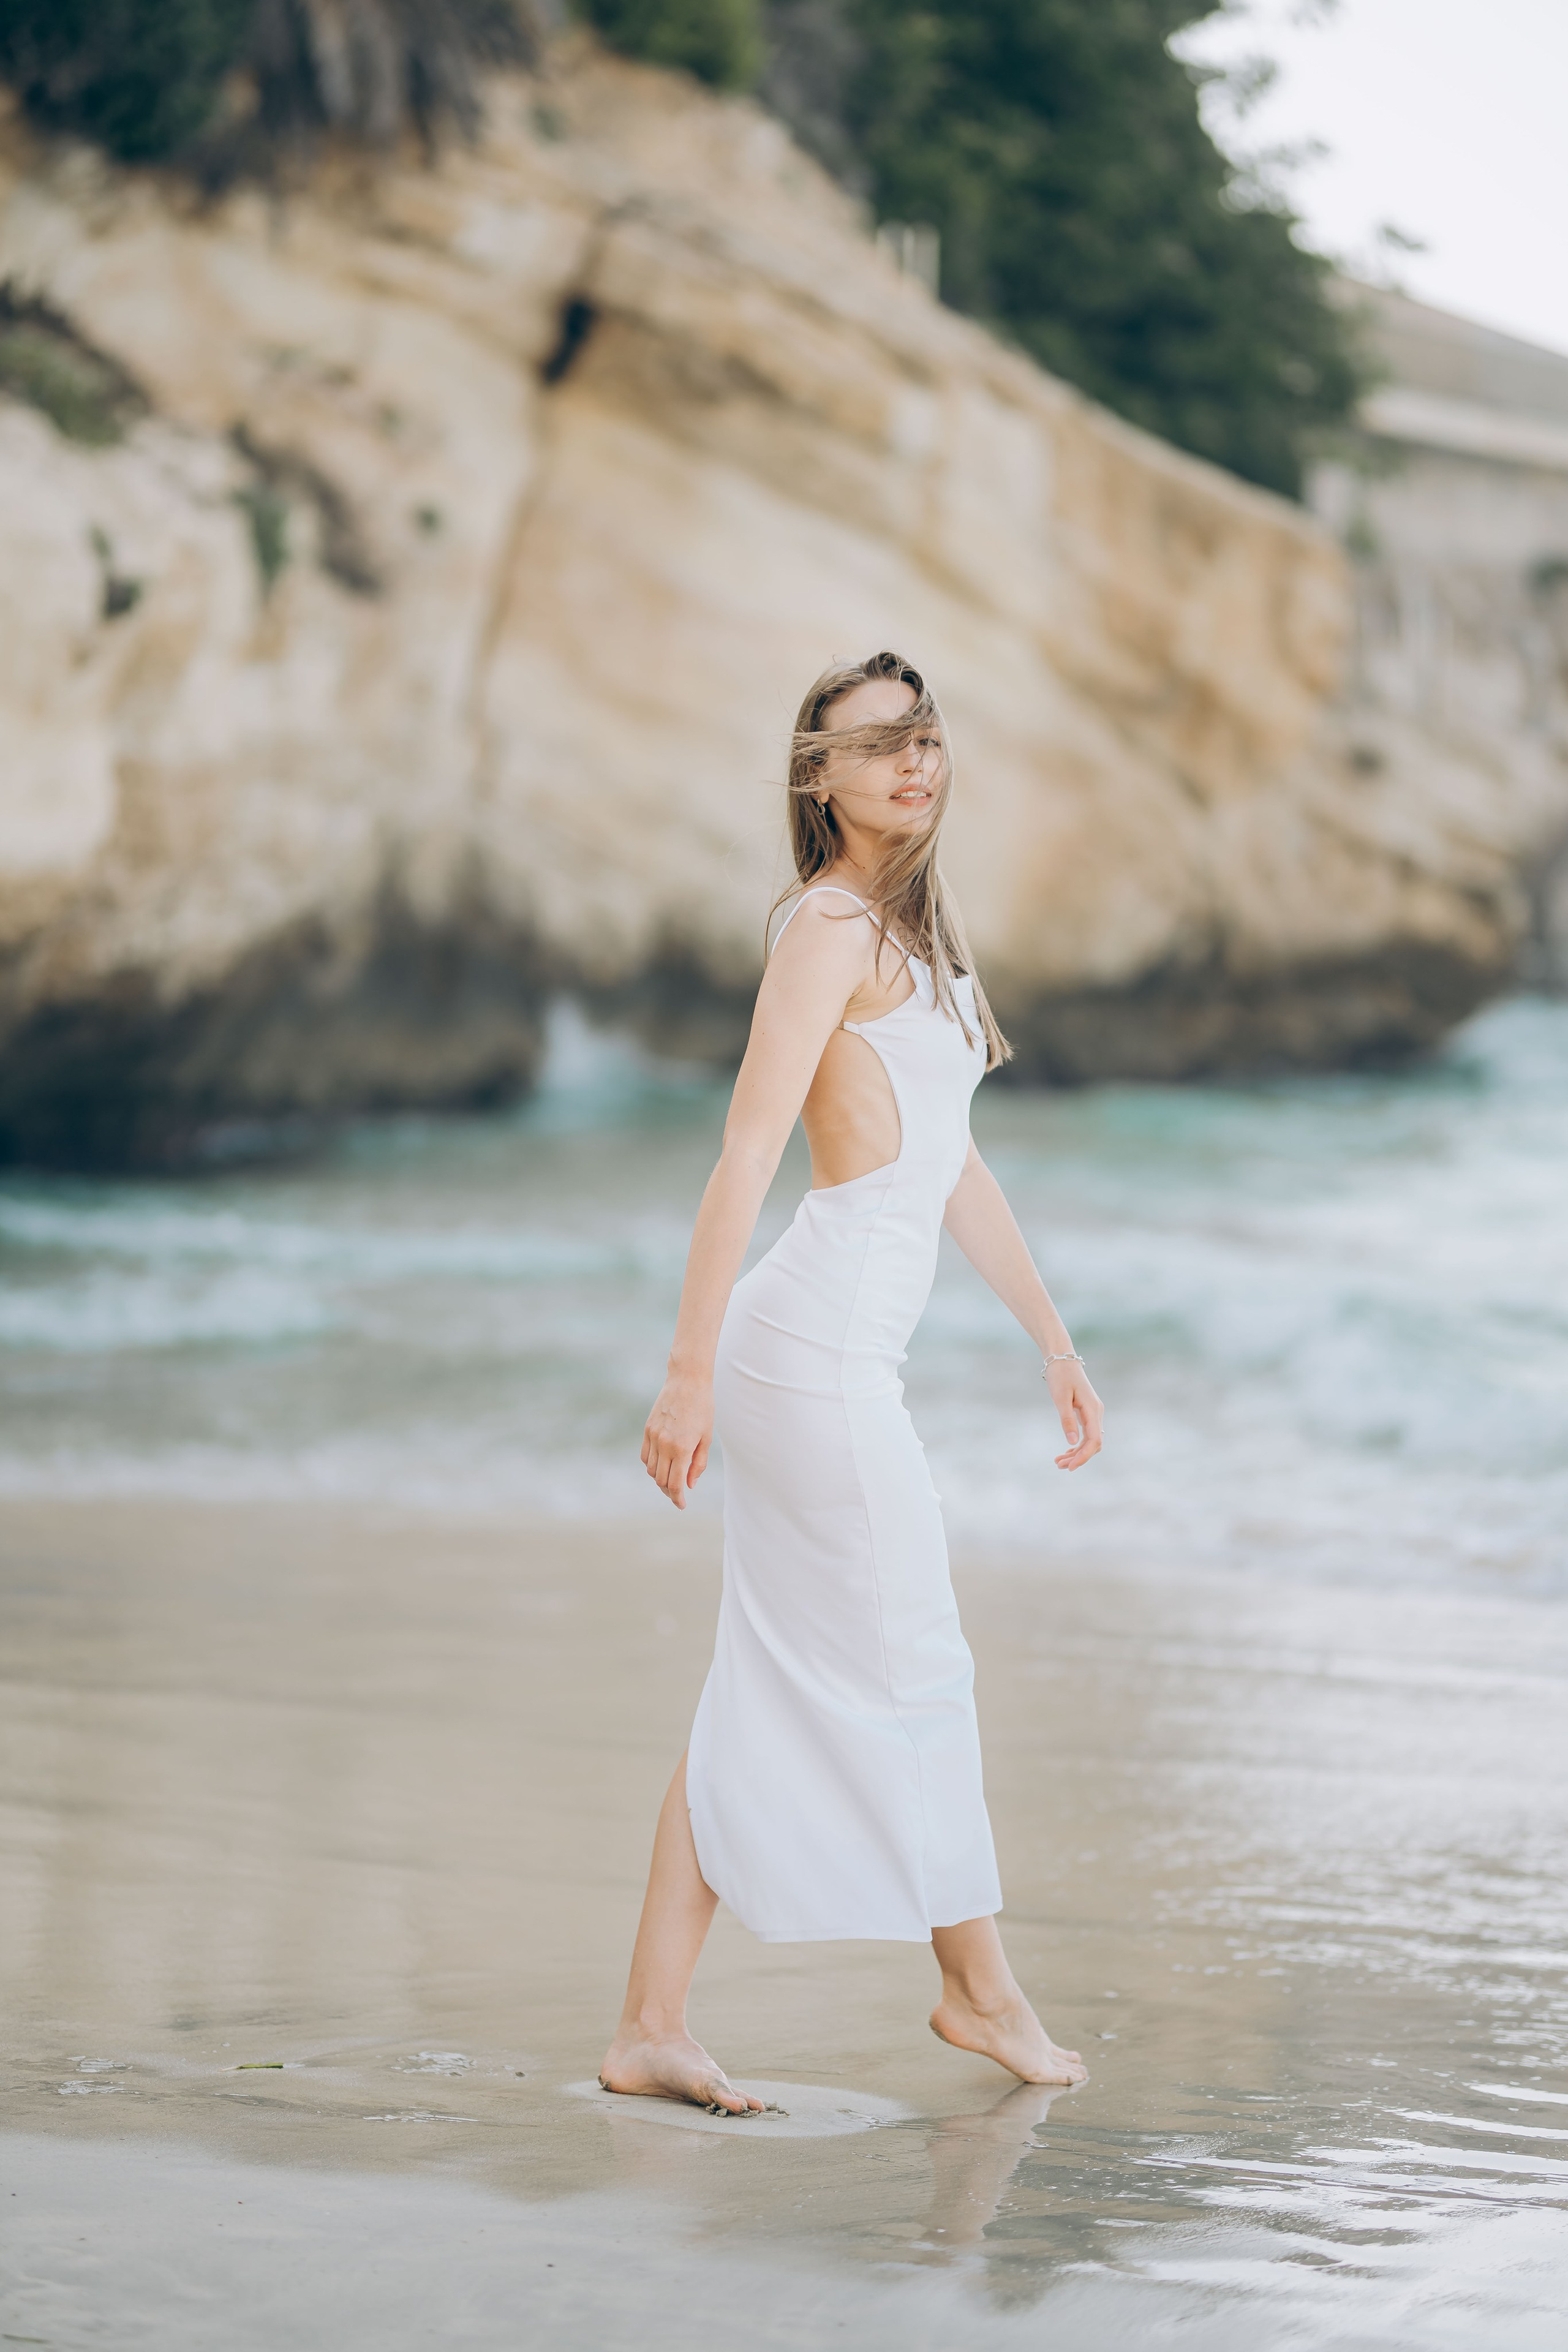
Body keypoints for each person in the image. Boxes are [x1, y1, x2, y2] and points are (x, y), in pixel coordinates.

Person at [600, 651, 1104, 2115]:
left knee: (772, 1678)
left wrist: (1054, 1348)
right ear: (815, 778)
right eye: (876, 747)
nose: (911, 766)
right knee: (914, 1659)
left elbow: (956, 1173)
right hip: (803, 1358)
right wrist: (684, 1376)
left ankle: (649, 2025)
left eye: (925, 739)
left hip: (833, 1357)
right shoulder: (826, 926)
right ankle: (975, 1988)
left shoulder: (919, 942)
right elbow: (744, 1157)